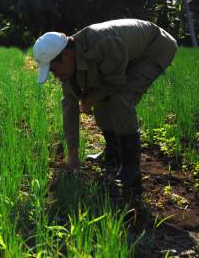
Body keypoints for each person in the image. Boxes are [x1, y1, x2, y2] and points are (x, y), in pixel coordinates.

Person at [33, 19, 177, 186]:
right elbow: (69, 107)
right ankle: (113, 152)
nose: (55, 75)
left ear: (66, 55)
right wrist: (73, 152)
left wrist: (89, 99)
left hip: (154, 48)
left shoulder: (101, 43)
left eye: (53, 69)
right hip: (125, 54)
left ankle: (131, 166)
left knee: (120, 99)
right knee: (101, 99)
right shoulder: (69, 66)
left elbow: (116, 82)